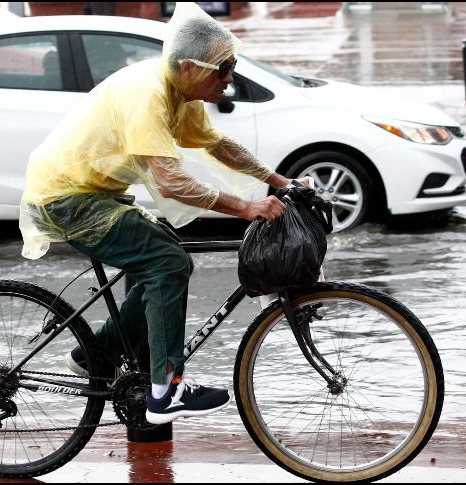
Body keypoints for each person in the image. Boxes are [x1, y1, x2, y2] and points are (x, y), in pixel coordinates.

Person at [18, 2, 306, 425]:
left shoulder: (180, 90)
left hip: (98, 193)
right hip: (68, 199)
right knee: (169, 264)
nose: (230, 79)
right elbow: (172, 183)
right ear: (190, 66)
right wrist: (244, 207)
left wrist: (280, 182)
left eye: (233, 67)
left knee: (163, 254)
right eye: (222, 69)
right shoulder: (148, 94)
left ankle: (96, 353)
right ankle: (165, 391)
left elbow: (218, 144)